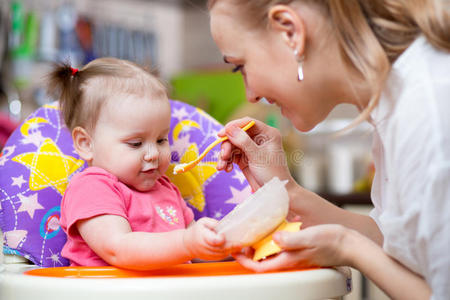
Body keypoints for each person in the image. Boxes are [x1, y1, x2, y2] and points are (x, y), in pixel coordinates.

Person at [208, 0, 450, 299]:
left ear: (290, 31)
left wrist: (345, 247)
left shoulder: (428, 111)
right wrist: (284, 192)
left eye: (240, 66)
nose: (251, 95)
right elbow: (394, 240)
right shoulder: (398, 98)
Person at [49, 57, 228, 269]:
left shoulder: (166, 189)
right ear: (86, 143)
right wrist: (186, 242)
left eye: (161, 139)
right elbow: (118, 249)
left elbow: (199, 254)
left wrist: (226, 245)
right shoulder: (92, 187)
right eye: (136, 143)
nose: (153, 153)